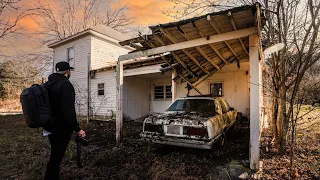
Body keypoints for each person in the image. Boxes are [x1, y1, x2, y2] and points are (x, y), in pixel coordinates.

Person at [44, 61, 86, 180]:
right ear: (67, 72)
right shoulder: (65, 85)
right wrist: (78, 129)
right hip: (61, 128)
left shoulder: (49, 84)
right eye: (69, 70)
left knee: (55, 156)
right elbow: (68, 111)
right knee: (56, 158)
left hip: (49, 126)